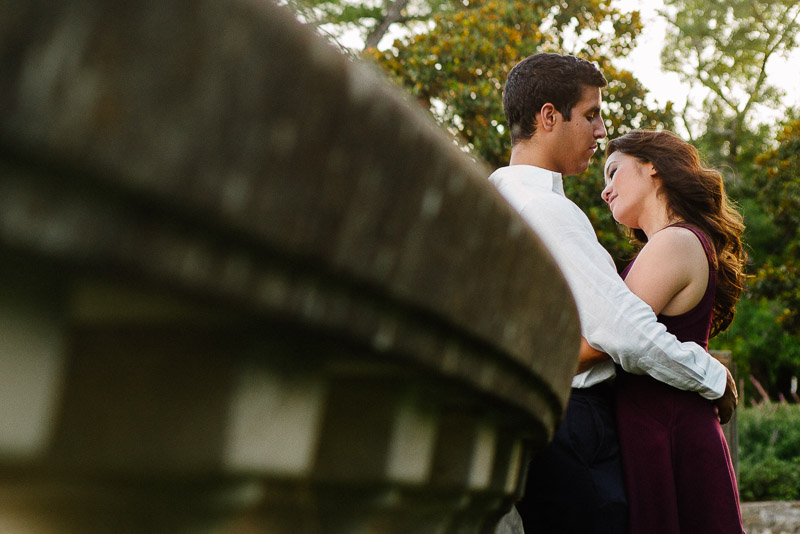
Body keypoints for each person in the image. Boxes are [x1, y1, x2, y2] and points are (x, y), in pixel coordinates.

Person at [488, 53, 738, 534]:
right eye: (590, 114)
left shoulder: (498, 202)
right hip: (580, 426)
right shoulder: (547, 211)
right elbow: (625, 332)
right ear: (548, 117)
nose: (600, 130)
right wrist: (711, 375)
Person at [584, 129, 745, 533]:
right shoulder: (675, 242)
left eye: (613, 172)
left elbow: (608, 338)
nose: (605, 190)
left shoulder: (673, 242)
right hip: (662, 425)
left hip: (665, 429)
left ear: (652, 166)